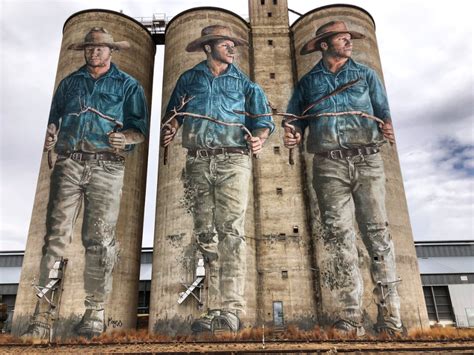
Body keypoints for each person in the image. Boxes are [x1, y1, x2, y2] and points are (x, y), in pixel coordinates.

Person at [24, 27, 148, 339]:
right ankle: (41, 313)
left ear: (111, 51)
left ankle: (94, 312)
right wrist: (51, 135)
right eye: (90, 47)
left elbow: (139, 130)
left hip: (107, 166)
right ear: (85, 50)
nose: (95, 52)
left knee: (99, 240)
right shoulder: (69, 83)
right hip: (68, 162)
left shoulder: (128, 86)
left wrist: (125, 138)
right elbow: (53, 121)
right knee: (54, 237)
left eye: (101, 47)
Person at [284, 21, 402, 336]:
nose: (348, 41)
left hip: (368, 160)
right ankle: (351, 316)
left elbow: (383, 111)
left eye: (350, 37)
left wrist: (387, 126)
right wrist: (293, 132)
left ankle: (390, 318)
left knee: (378, 236)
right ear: (324, 45)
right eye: (341, 38)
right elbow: (295, 117)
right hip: (328, 166)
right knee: (339, 240)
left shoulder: (366, 75)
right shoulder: (308, 83)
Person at [161, 25, 274, 332]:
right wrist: (170, 129)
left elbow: (264, 122)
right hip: (197, 161)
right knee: (205, 233)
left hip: (233, 160)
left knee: (231, 232)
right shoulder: (188, 80)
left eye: (232, 44)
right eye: (225, 44)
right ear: (208, 47)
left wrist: (260, 138)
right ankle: (212, 308)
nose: (232, 48)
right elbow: (173, 117)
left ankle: (232, 309)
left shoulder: (246, 85)